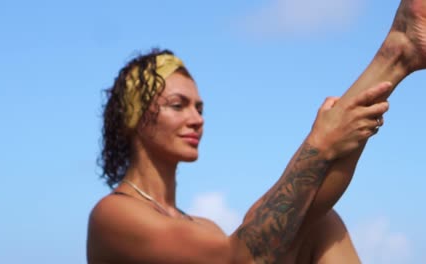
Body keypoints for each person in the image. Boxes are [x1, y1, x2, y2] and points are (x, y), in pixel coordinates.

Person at [87, 0, 426, 263]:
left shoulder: (205, 229)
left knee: (318, 223)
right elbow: (242, 257)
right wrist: (320, 145)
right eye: (178, 105)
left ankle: (399, 53)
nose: (196, 118)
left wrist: (335, 139)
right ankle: (396, 55)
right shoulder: (113, 215)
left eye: (200, 108)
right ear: (133, 117)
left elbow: (271, 231)